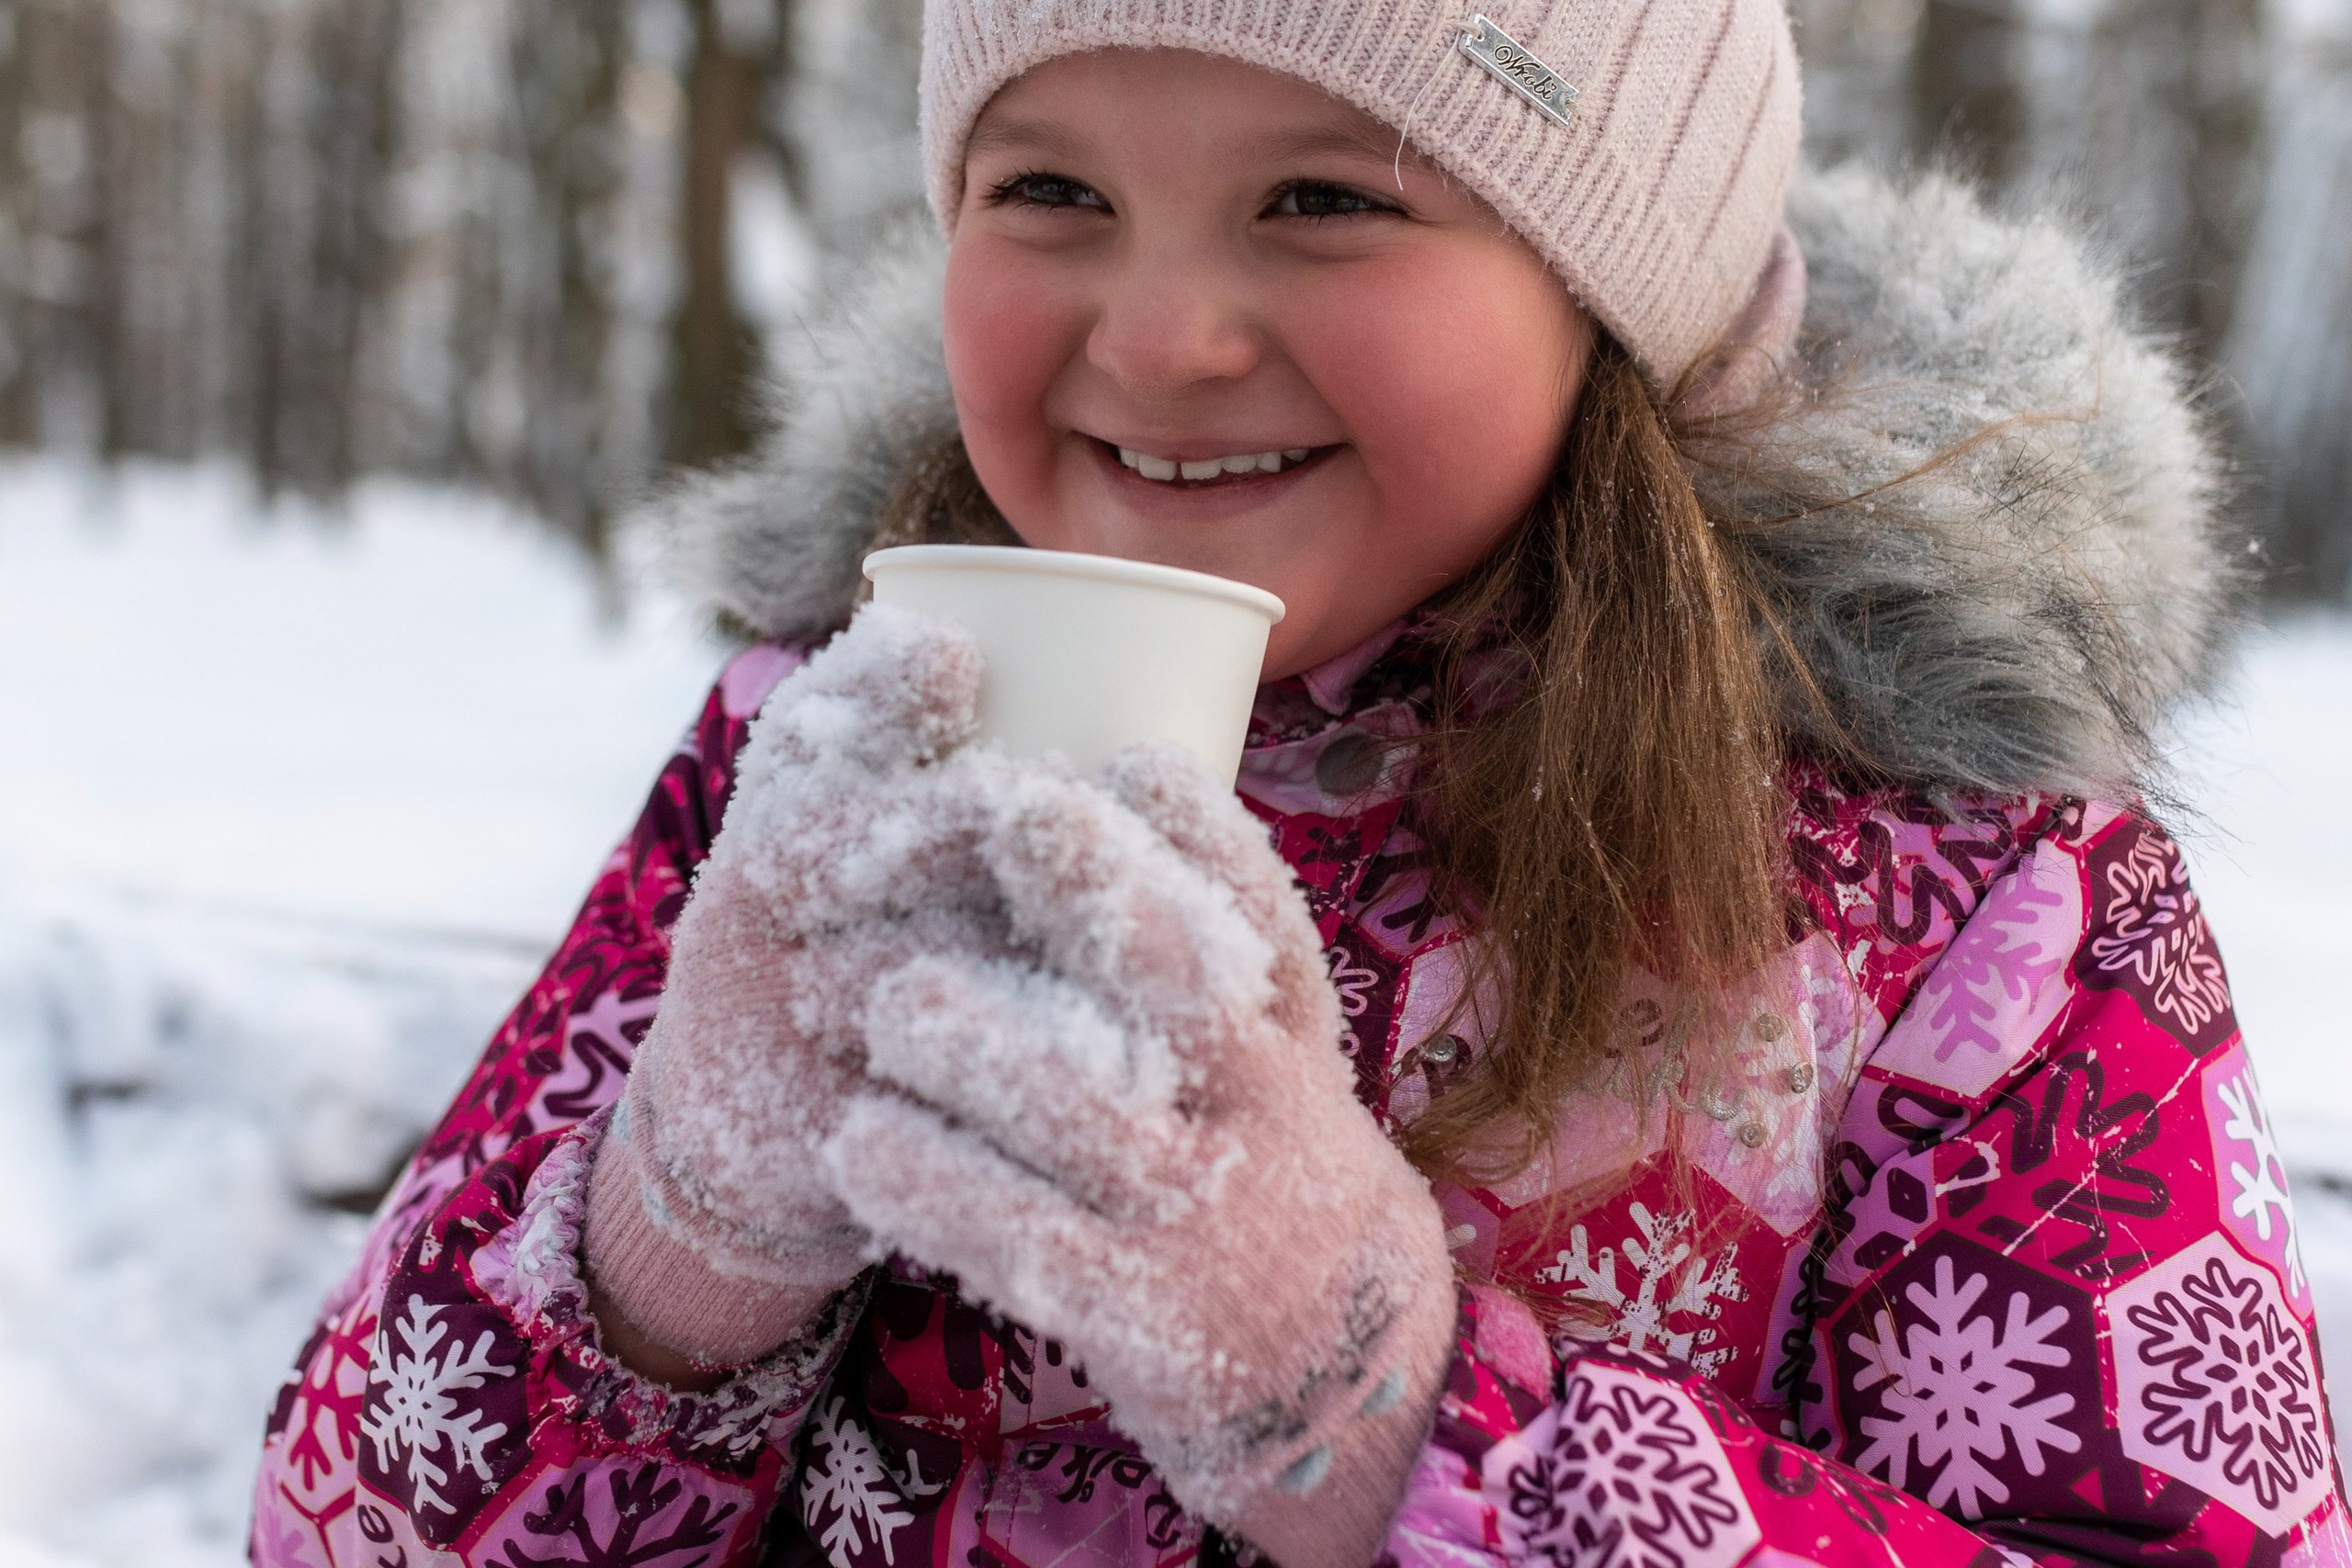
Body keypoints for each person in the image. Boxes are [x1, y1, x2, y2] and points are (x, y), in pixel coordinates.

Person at [249, 1, 2346, 1564]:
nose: (1157, 335)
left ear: (1618, 287)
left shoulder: (1970, 899)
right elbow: (335, 1524)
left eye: (1327, 198)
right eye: (1049, 188)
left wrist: (1400, 1418)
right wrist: (670, 1239)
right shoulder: (830, 743)